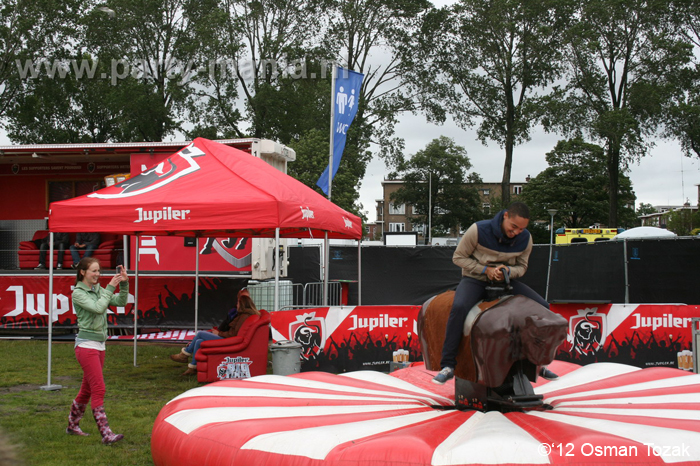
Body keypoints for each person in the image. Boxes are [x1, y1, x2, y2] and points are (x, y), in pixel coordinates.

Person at [432, 202, 558, 384]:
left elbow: (522, 267)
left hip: (506, 280)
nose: (516, 232)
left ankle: (539, 364)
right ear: (505, 216)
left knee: (543, 307)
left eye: (521, 229)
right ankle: (448, 365)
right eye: (513, 227)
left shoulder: (526, 238)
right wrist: (485, 270)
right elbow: (458, 257)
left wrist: (507, 270)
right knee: (459, 308)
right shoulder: (477, 230)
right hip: (475, 280)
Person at [65, 257, 129, 445]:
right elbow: (98, 307)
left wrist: (123, 284)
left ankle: (72, 426)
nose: (98, 274)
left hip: (99, 345)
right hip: (87, 346)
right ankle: (106, 433)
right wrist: (110, 287)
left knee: (86, 389)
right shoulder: (78, 293)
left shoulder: (97, 289)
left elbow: (121, 302)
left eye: (99, 270)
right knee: (99, 388)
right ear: (83, 272)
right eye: (94, 271)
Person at [170, 288, 259, 376]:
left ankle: (184, 354)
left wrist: (219, 333)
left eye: (238, 303)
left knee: (200, 334)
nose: (237, 305)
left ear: (243, 305)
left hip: (228, 339)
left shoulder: (244, 316)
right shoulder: (245, 315)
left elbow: (233, 334)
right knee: (198, 342)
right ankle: (193, 367)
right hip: (229, 338)